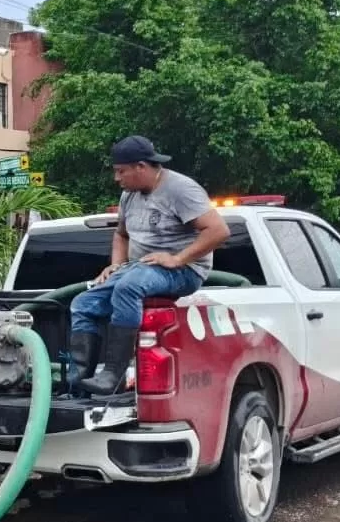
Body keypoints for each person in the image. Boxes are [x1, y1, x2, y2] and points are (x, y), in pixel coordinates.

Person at [69, 136, 228, 395]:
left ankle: (113, 374)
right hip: (140, 268)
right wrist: (116, 265)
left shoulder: (181, 190)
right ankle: (78, 383)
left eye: (121, 171)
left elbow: (219, 231)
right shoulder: (128, 196)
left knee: (128, 287)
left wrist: (178, 258)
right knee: (83, 304)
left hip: (184, 271)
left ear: (141, 167)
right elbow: (121, 234)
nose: (117, 178)